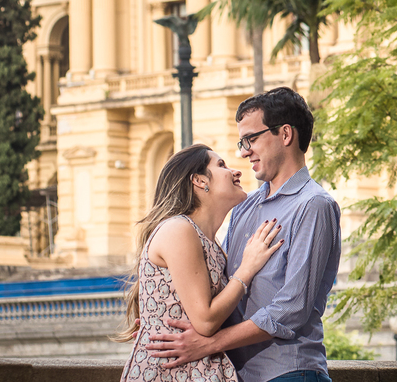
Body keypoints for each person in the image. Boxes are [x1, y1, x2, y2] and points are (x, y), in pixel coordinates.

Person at [148, 87, 342, 382]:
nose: (243, 151)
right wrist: (162, 318)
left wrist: (211, 343)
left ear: (285, 135)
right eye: (242, 141)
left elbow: (293, 308)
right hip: (237, 374)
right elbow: (220, 286)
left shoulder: (313, 205)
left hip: (289, 372)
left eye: (251, 139)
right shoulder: (244, 207)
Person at [119, 143, 283, 382]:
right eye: (221, 165)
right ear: (199, 181)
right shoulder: (179, 229)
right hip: (172, 373)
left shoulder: (208, 242)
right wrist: (247, 268)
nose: (235, 171)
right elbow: (205, 321)